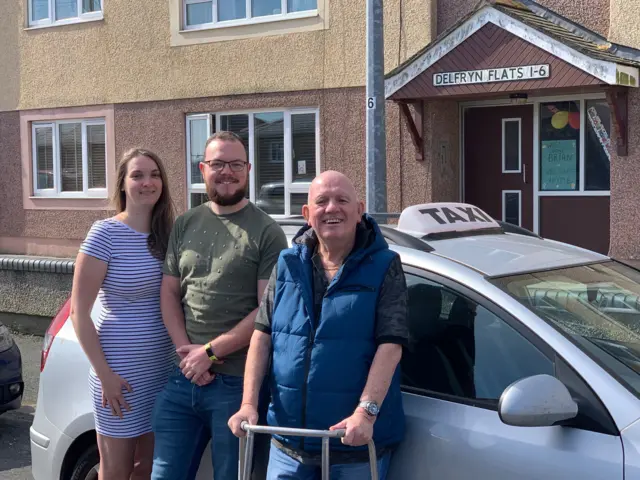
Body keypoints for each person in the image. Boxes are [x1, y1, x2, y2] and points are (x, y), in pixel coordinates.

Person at [229, 170, 409, 479]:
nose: (332, 208)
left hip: (352, 448)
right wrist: (248, 404)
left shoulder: (385, 266)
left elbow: (391, 345)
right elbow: (262, 336)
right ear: (307, 214)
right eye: (322, 201)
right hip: (287, 445)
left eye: (342, 200)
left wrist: (365, 414)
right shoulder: (287, 263)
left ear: (359, 209)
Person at [150, 131, 289, 480]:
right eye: (218, 164)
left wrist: (209, 353)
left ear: (249, 169)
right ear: (203, 169)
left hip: (237, 386)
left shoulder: (267, 232)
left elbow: (265, 310)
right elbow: (169, 293)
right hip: (183, 380)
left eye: (236, 164)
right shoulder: (185, 223)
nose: (227, 172)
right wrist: (189, 356)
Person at [70, 148, 176, 480]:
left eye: (155, 174)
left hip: (161, 372)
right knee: (115, 471)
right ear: (123, 183)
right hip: (120, 377)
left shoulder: (169, 234)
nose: (148, 182)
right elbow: (78, 313)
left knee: (146, 469)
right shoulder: (105, 234)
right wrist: (105, 375)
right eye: (138, 175)